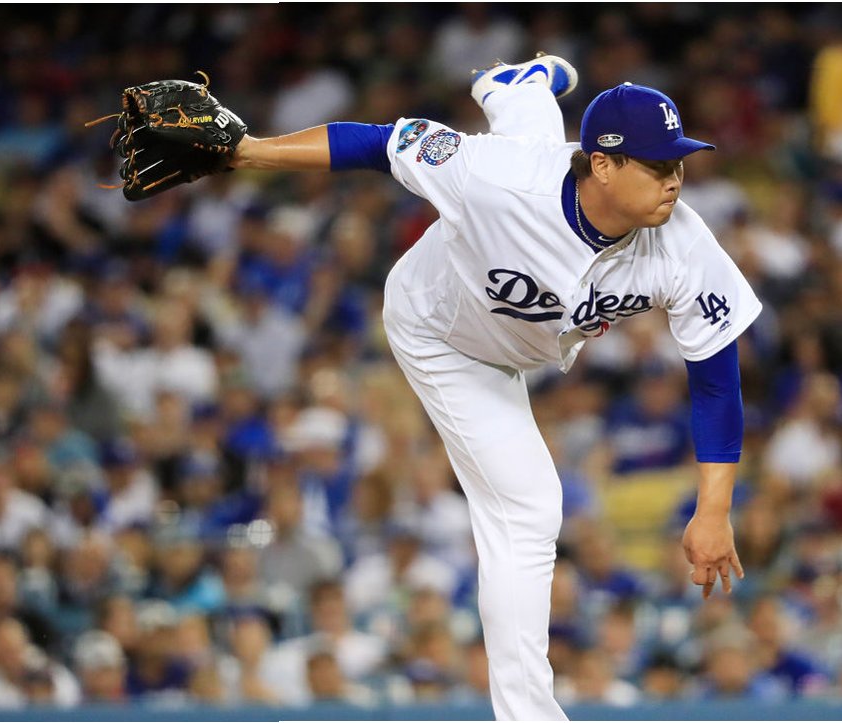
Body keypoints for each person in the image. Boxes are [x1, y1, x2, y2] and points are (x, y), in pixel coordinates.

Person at [224, 54, 758, 720]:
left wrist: (713, 509)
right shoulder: (490, 177)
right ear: (602, 164)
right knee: (530, 507)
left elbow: (716, 382)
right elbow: (380, 142)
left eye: (678, 162)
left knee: (531, 145)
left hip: (522, 341)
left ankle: (517, 87)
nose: (674, 179)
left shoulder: (683, 243)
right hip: (441, 332)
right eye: (657, 165)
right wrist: (249, 151)